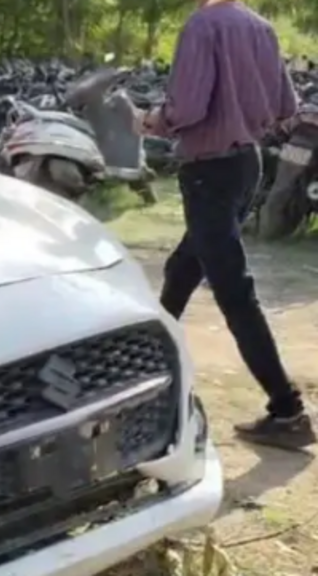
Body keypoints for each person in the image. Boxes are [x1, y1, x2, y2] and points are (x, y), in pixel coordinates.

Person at [136, 0, 314, 450]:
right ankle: (143, 368)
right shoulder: (260, 27)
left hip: (209, 169)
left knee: (234, 291)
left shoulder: (203, 27)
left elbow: (187, 108)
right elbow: (285, 105)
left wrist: (152, 121)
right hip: (246, 163)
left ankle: (288, 408)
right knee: (182, 270)